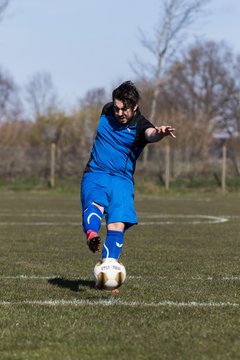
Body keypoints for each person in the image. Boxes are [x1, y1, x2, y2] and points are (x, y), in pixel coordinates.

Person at [81, 81, 175, 261]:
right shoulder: (107, 110)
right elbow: (113, 112)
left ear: (135, 107)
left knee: (117, 224)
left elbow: (150, 134)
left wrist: (160, 133)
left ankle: (108, 270)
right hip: (95, 172)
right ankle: (92, 233)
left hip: (121, 179)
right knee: (95, 205)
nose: (119, 113)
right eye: (117, 108)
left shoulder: (140, 124)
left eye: (125, 109)